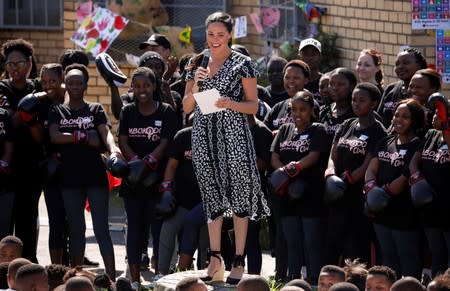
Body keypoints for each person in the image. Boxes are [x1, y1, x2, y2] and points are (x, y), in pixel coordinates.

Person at [182, 11, 270, 284]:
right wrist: (196, 82)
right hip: (203, 135)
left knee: (241, 196)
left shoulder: (243, 63)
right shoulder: (195, 62)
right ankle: (215, 257)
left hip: (233, 135)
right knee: (211, 197)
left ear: (230, 34)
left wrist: (230, 103)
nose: (215, 39)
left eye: (220, 34)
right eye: (210, 34)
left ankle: (239, 259)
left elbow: (254, 105)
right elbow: (186, 108)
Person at [48, 64, 120, 280]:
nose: (75, 86)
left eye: (79, 82)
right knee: (76, 230)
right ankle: (77, 279)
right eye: (71, 82)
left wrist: (112, 147)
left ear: (86, 85)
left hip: (95, 177)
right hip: (69, 179)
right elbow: (54, 136)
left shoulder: (95, 109)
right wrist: (81, 137)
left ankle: (111, 279)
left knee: (101, 229)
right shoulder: (57, 110)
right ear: (65, 85)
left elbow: (105, 133)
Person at [118, 67, 177, 286]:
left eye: (147, 85)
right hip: (133, 182)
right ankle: (134, 280)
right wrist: (135, 164)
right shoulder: (128, 111)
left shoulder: (166, 111)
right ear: (132, 88)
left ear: (154, 87)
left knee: (159, 230)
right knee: (134, 230)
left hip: (158, 181)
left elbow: (166, 142)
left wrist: (148, 163)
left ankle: (160, 275)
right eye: (137, 86)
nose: (142, 90)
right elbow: (123, 140)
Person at [324, 82, 387, 265]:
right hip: (337, 194)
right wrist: (331, 174)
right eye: (354, 99)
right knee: (332, 243)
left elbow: (369, 163)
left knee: (355, 248)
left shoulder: (378, 130)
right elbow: (333, 154)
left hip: (358, 199)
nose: (356, 104)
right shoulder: (347, 124)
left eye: (362, 100)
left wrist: (349, 179)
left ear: (374, 104)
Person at [270, 91, 328, 282]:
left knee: (311, 241)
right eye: (294, 109)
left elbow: (314, 156)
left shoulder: (318, 129)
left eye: (302, 109)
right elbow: (274, 156)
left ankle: (313, 281)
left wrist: (291, 170)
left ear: (312, 110)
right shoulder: (285, 129)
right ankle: (293, 280)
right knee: (291, 241)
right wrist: (284, 172)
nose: (298, 114)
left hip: (310, 194)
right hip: (287, 195)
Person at [365, 99, 424, 279]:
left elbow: (405, 178)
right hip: (381, 212)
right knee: (387, 259)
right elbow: (371, 169)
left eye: (405, 116)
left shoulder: (419, 144)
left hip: (404, 212)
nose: (399, 119)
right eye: (396, 115)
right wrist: (372, 190)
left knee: (408, 259)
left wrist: (384, 193)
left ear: (415, 120)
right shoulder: (384, 141)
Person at [0, 39, 42, 263]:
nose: (14, 68)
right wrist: (25, 109)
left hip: (31, 165)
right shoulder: (1, 88)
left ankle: (28, 270)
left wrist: (37, 100)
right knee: (4, 224)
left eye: (19, 63)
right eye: (9, 63)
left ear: (29, 63)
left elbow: (60, 90)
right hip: (7, 167)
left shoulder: (37, 88)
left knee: (27, 221)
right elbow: (9, 123)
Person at [409, 97, 450, 278]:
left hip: (449, 207)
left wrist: (446, 125)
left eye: (440, 114)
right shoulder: (431, 135)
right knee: (437, 254)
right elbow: (413, 162)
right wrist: (418, 180)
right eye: (435, 114)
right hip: (430, 206)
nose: (436, 117)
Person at [377, 47, 427, 128]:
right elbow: (379, 118)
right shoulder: (390, 89)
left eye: (406, 63)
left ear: (418, 65)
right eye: (397, 64)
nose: (400, 67)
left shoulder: (423, 92)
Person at [264, 59, 312, 133]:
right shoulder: (278, 107)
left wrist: (281, 133)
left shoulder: (311, 105)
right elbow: (264, 130)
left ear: (306, 80)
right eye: (287, 77)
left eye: (296, 78)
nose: (291, 81)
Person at [0, 107, 14, 240]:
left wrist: (3, 165)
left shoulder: (3, 115)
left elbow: (9, 149)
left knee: (2, 233)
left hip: (3, 184)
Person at [297, 38, 322, 102]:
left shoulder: (325, 83)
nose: (309, 58)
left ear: (320, 57)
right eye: (305, 54)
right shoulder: (293, 82)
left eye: (313, 54)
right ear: (299, 57)